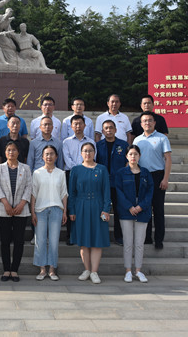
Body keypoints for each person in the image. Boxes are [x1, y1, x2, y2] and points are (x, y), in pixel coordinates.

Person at [68, 142, 111, 284]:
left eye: (90, 151)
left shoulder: (102, 169)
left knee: (97, 240)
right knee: (84, 241)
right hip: (81, 206)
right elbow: (72, 193)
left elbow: (106, 191)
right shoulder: (75, 170)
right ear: (81, 153)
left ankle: (94, 271)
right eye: (85, 151)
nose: (88, 153)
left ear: (95, 152)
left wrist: (106, 209)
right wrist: (72, 210)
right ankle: (86, 269)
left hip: (98, 206)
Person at [115, 145, 154, 283]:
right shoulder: (121, 173)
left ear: (139, 156)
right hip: (126, 212)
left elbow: (150, 192)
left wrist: (141, 206)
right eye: (131, 154)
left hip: (142, 211)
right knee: (128, 242)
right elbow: (118, 192)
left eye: (136, 154)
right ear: (126, 156)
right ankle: (128, 271)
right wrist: (129, 207)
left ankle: (138, 270)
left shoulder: (145, 173)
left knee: (139, 243)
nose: (133, 157)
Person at [0, 141, 32, 282]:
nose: (11, 152)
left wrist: (22, 203)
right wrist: (5, 203)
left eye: (14, 150)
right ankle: (6, 269)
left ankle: (14, 270)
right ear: (5, 153)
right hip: (3, 208)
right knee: (4, 240)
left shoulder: (26, 168)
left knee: (19, 240)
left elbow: (29, 186)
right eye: (9, 150)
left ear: (18, 152)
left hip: (21, 209)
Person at [133, 111, 172, 250]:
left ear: (154, 123)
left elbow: (168, 159)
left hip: (157, 175)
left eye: (150, 120)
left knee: (158, 209)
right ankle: (147, 237)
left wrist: (165, 178)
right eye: (145, 121)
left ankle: (159, 239)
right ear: (141, 124)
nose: (147, 123)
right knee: (144, 207)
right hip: (142, 176)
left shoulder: (162, 138)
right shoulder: (137, 140)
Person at [31, 145, 68, 281]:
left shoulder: (61, 173)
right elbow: (33, 194)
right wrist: (32, 212)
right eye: (46, 154)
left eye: (52, 154)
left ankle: (52, 269)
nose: (49, 156)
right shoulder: (37, 173)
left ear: (56, 156)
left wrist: (64, 211)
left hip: (56, 210)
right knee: (40, 240)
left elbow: (64, 193)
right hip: (40, 210)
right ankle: (42, 269)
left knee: (53, 241)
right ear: (42, 157)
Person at [62, 115, 96, 245]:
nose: (78, 126)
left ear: (85, 125)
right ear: (71, 126)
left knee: (85, 202)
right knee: (71, 202)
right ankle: (71, 235)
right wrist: (79, 169)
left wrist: (84, 169)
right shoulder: (66, 142)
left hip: (88, 173)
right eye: (75, 124)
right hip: (71, 174)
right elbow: (67, 159)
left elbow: (92, 158)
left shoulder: (91, 142)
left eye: (80, 123)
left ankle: (85, 234)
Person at [95, 120, 129, 246]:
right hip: (102, 183)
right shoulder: (98, 145)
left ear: (115, 130)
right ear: (102, 131)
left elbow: (127, 163)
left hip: (118, 183)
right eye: (106, 128)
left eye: (111, 128)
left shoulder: (123, 145)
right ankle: (102, 234)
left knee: (118, 210)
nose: (108, 130)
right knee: (103, 209)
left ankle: (118, 236)